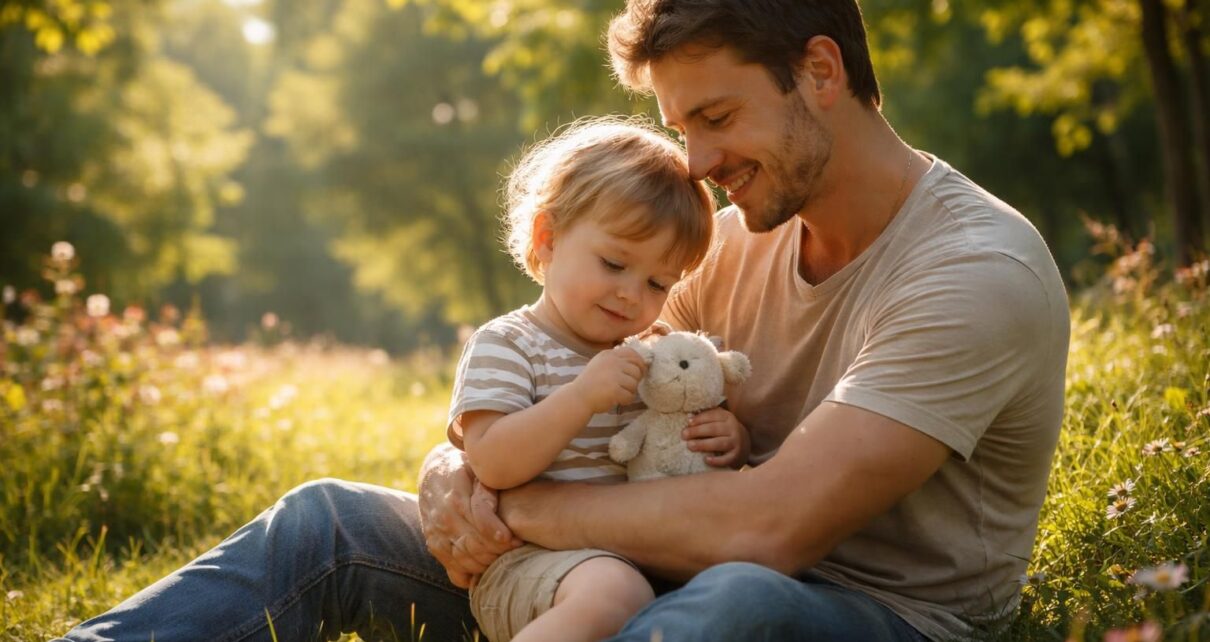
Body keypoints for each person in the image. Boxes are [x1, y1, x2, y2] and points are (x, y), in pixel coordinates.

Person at [57, 1, 1069, 641]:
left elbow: (768, 531)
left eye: (717, 119)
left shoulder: (971, 273)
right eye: (681, 129)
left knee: (735, 601)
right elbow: (573, 380)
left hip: (858, 610)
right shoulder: (729, 240)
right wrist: (460, 467)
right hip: (635, 571)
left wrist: (519, 505)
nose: (698, 165)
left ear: (820, 70)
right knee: (329, 520)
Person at [441, 117, 729, 642]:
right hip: (532, 562)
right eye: (614, 263)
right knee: (614, 593)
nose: (631, 294)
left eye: (657, 283)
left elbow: (682, 428)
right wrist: (580, 398)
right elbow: (492, 461)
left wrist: (729, 437)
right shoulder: (509, 344)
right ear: (547, 238)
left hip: (644, 552)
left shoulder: (653, 352)